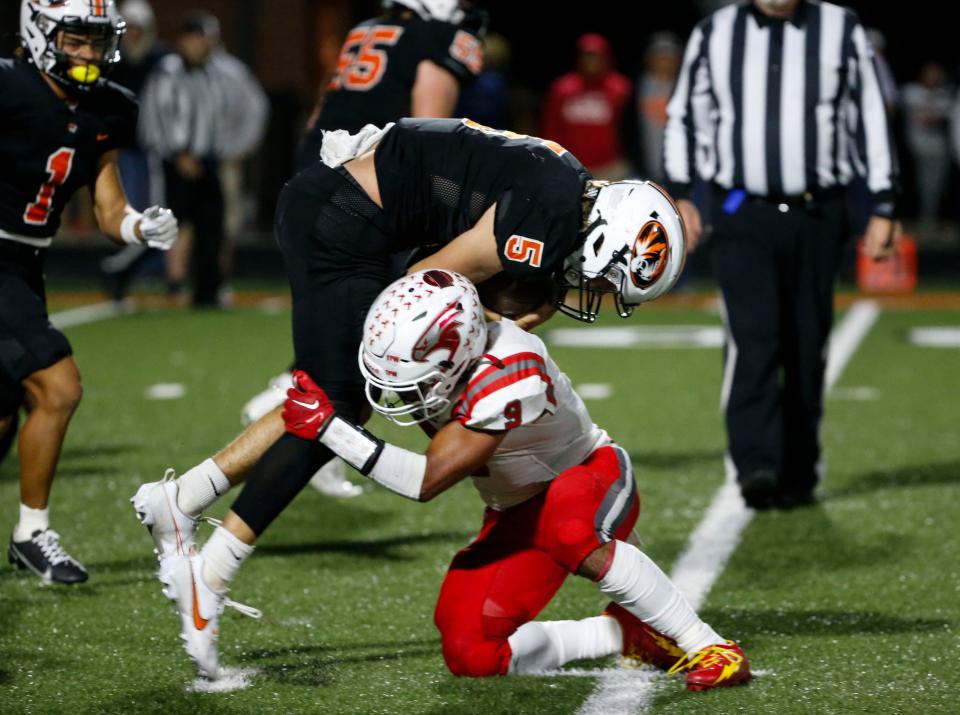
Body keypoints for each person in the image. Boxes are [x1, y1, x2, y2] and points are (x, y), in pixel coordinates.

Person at [130, 117, 688, 666]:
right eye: (603, 279)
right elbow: (429, 281)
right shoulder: (545, 220)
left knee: (334, 397)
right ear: (604, 238)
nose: (593, 290)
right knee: (341, 405)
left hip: (348, 208)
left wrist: (515, 313)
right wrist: (488, 331)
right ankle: (213, 567)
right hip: (344, 221)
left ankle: (182, 502)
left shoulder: (564, 188)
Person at [159, 270, 751, 690]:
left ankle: (709, 645)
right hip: (515, 509)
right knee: (470, 651)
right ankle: (624, 636)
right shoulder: (450, 338)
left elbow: (427, 479)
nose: (402, 394)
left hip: (587, 475)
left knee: (571, 529)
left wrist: (331, 430)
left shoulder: (510, 368)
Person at [663, 0, 902, 509]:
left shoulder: (840, 27)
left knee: (806, 340)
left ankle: (799, 468)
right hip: (741, 210)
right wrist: (682, 193)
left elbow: (869, 114)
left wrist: (882, 202)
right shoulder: (716, 31)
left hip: (820, 212)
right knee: (754, 337)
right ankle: (756, 464)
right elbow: (686, 114)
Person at [243, 0, 485, 496]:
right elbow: (429, 134)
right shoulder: (432, 39)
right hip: (362, 195)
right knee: (378, 328)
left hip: (314, 176)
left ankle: (309, 417)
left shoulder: (366, 30)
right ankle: (295, 409)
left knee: (345, 329)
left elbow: (320, 111)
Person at [2, 0, 178, 584]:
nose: (87, 54)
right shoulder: (9, 85)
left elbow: (108, 207)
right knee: (58, 387)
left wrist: (139, 227)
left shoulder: (109, 107)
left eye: (96, 41)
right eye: (75, 40)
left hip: (25, 264)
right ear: (40, 33)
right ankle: (32, 534)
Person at [138, 11, 268, 308]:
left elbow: (248, 112)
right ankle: (138, 274)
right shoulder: (166, 71)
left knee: (212, 227)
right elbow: (153, 116)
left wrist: (234, 149)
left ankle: (207, 290)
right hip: (175, 163)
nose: (200, 45)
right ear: (184, 40)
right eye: (195, 39)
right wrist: (177, 153)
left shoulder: (219, 72)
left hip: (210, 162)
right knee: (168, 225)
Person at [294, 0, 485, 172]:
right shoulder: (438, 35)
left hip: (314, 162)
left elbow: (318, 114)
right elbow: (427, 136)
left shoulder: (362, 29)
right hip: (368, 174)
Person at [98, 0, 170, 302]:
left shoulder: (162, 60)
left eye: (140, 29)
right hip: (123, 149)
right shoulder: (112, 60)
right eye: (131, 29)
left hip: (155, 149)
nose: (135, 35)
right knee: (130, 211)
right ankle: (121, 270)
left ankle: (132, 270)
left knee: (155, 211)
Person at [541, 33, 632, 180]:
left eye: (596, 56)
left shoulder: (620, 88)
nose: (591, 61)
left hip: (611, 167)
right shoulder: (562, 88)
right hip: (570, 167)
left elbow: (630, 129)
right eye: (587, 56)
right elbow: (551, 128)